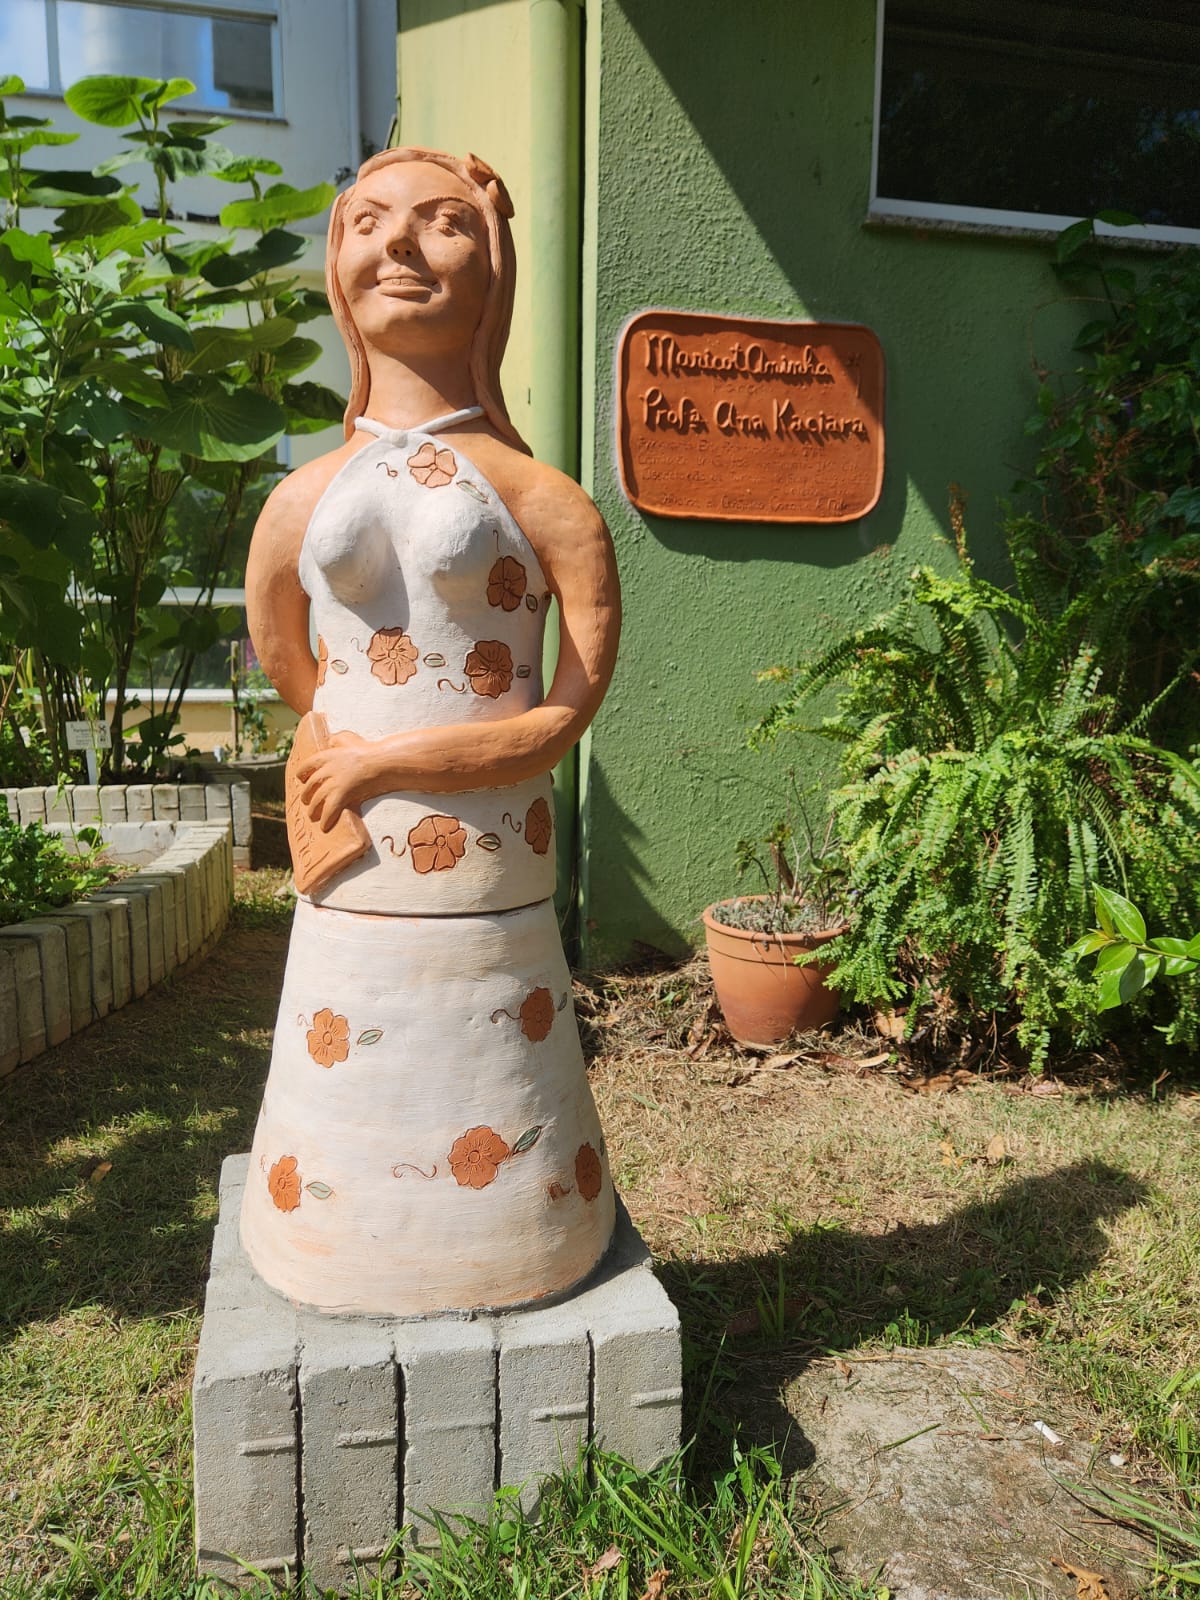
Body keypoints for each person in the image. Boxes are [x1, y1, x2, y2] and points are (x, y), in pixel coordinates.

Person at [237, 148, 620, 1316]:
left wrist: (392, 758)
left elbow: (569, 702)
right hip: (351, 865)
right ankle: (324, 1232)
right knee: (348, 1051)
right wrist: (350, 752)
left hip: (490, 864)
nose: (398, 245)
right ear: (337, 270)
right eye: (369, 222)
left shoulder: (546, 499)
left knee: (496, 1039)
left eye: (443, 222)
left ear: (493, 268)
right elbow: (286, 656)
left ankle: (520, 1241)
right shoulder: (298, 498)